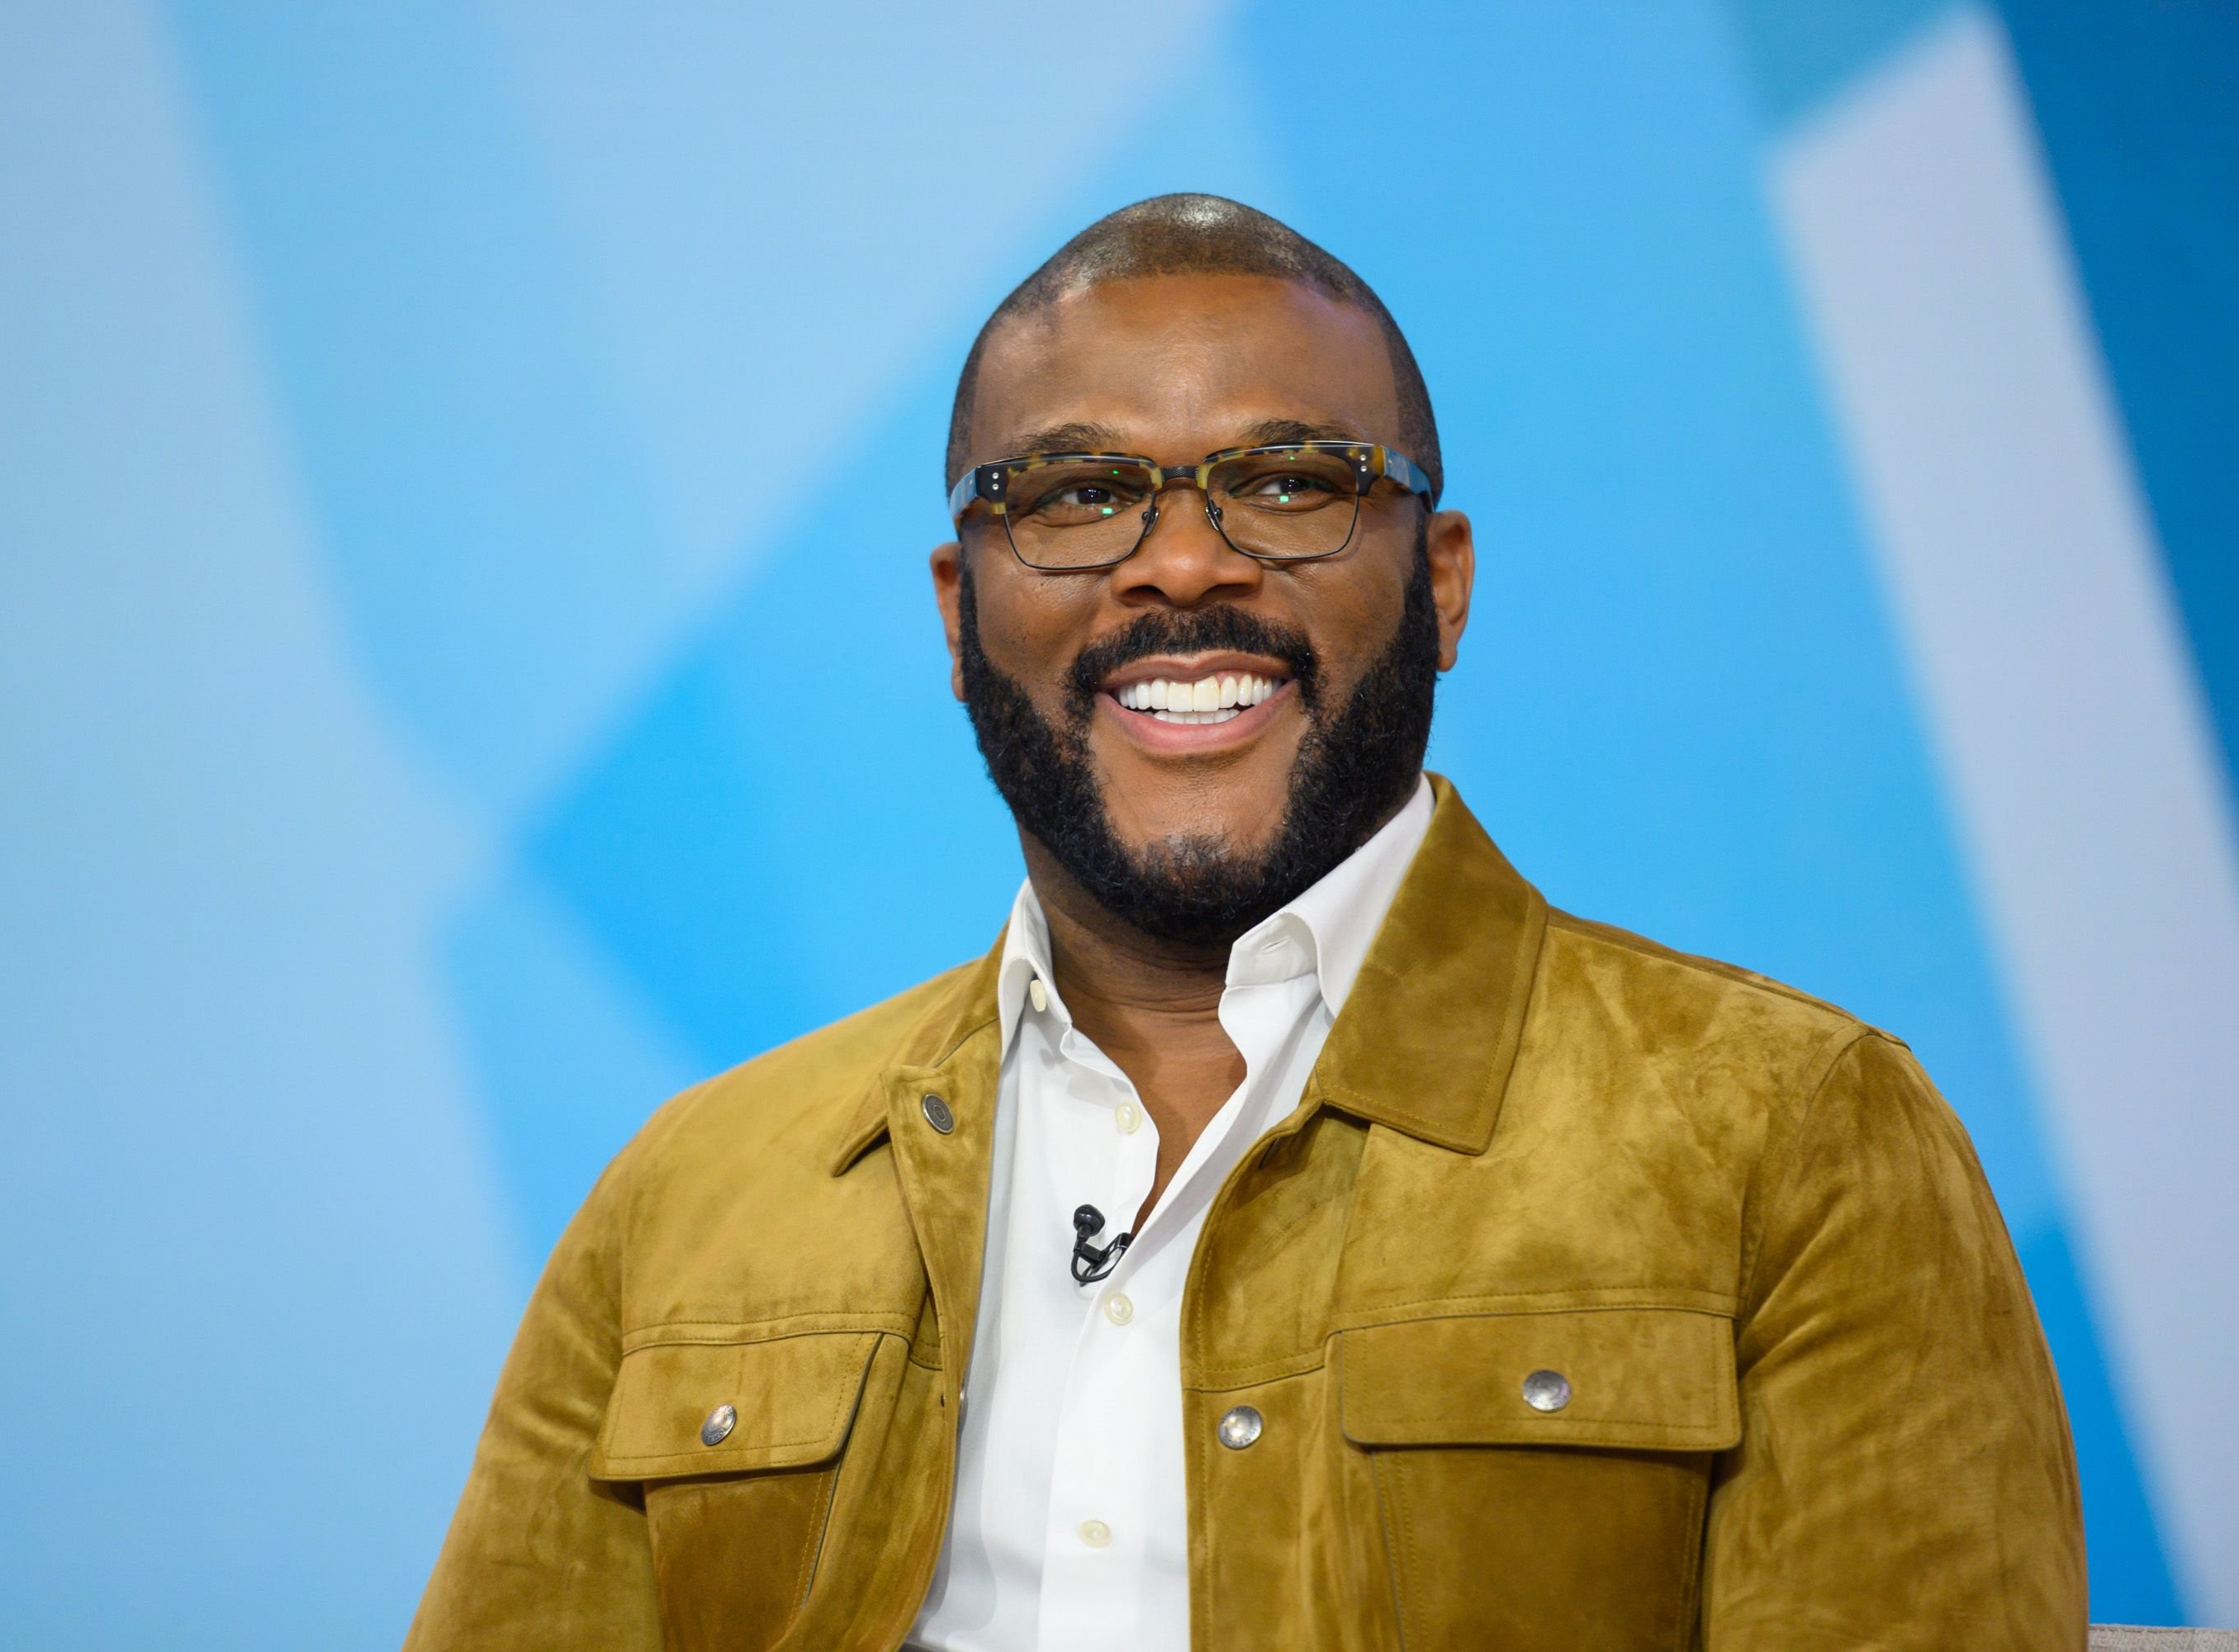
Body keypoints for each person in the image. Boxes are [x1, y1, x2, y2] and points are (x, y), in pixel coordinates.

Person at [405, 194, 2085, 1650]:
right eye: (1073, 494)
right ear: (957, 609)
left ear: (1439, 581)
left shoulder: (1792, 1142)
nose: (1183, 567)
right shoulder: (694, 1194)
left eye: (1288, 480)